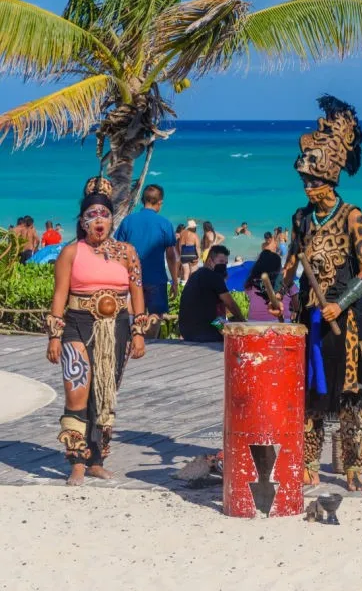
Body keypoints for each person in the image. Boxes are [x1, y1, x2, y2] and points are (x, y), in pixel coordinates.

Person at [280, 95, 362, 491]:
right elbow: (292, 260)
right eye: (304, 181)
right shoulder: (300, 217)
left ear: (330, 181)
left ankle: (352, 466)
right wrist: (282, 289)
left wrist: (341, 302)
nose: (307, 188)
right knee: (310, 394)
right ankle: (308, 462)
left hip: (344, 319)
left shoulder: (352, 214)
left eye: (313, 182)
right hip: (310, 317)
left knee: (350, 396)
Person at [45, 177, 149, 486]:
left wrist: (139, 332)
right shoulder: (70, 253)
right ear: (82, 221)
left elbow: (138, 293)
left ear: (112, 219)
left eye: (104, 214)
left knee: (105, 395)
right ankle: (76, 461)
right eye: (92, 216)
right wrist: (54, 335)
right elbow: (59, 296)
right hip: (78, 325)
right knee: (77, 393)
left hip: (115, 329)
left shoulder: (128, 253)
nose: (99, 221)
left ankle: (96, 460)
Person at [115, 184, 180, 328]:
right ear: (160, 202)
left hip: (131, 276)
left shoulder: (128, 221)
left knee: (133, 312)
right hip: (156, 277)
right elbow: (171, 255)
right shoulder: (165, 224)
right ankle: (151, 344)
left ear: (142, 200)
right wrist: (174, 281)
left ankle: (133, 341)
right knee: (156, 314)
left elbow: (118, 251)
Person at [178, 245, 245, 341]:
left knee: (225, 325)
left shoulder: (194, 275)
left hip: (187, 332)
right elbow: (230, 304)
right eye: (221, 262)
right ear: (210, 261)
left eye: (226, 263)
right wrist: (243, 321)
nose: (224, 266)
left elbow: (208, 314)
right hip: (205, 333)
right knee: (238, 337)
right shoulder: (214, 277)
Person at [245, 246, 297, 322]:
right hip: (281, 323)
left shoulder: (251, 283)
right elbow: (296, 303)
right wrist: (294, 311)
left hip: (253, 323)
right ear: (278, 267)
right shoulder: (286, 282)